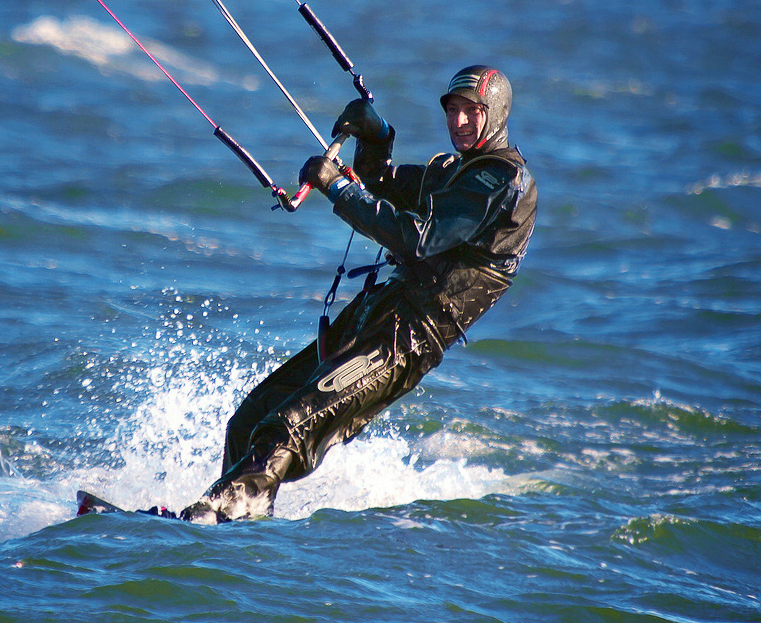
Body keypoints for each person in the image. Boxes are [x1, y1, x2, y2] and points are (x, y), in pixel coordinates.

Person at [179, 65, 538, 523]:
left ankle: (222, 512)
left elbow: (417, 237)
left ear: (497, 114)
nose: (460, 122)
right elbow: (382, 186)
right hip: (378, 312)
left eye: (473, 112)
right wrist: (376, 139)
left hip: (408, 338)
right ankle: (233, 513)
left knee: (292, 423)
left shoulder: (502, 181)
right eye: (453, 111)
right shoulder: (452, 170)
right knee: (252, 416)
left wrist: (336, 187)